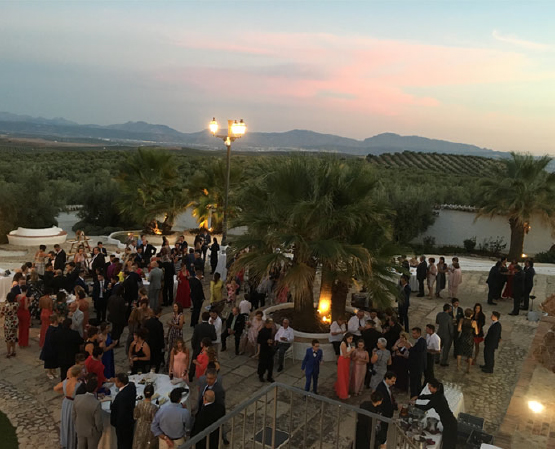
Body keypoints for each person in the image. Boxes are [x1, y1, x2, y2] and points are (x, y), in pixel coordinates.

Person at [413, 379, 458, 449]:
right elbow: (428, 396)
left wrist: (414, 404)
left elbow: (425, 407)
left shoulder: (437, 398)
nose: (429, 389)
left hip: (449, 425)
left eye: (430, 388)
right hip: (449, 422)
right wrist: (418, 397)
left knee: (447, 445)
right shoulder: (438, 394)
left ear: (435, 388)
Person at [54, 364, 83, 449]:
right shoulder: (78, 385)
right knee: (73, 424)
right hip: (74, 403)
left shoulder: (66, 381)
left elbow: (56, 388)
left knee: (66, 422)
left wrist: (64, 392)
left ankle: (65, 442)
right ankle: (72, 444)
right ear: (77, 374)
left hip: (66, 402)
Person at [72, 377, 103, 449]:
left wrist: (77, 425)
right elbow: (98, 422)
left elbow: (73, 415)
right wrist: (100, 430)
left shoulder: (77, 398)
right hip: (92, 432)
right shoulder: (96, 403)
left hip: (80, 429)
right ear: (95, 389)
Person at [111, 373, 137, 449]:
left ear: (120, 383)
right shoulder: (132, 386)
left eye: (116, 382)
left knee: (122, 444)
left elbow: (120, 413)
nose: (115, 383)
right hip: (130, 421)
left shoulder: (121, 397)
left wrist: (115, 423)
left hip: (122, 426)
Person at [190, 312, 217, 380]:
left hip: (197, 347)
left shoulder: (197, 326)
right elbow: (214, 338)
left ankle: (191, 375)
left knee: (194, 361)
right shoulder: (211, 327)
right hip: (207, 347)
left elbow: (194, 338)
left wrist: (194, 347)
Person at [375, 371, 399, 444]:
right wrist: (395, 406)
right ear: (387, 379)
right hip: (384, 413)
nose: (394, 383)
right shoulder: (381, 388)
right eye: (392, 381)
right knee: (382, 430)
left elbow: (390, 398)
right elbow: (385, 404)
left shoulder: (387, 387)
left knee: (384, 429)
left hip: (387, 413)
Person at [132, 384, 158, 449]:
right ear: (152, 394)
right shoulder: (153, 407)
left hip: (139, 426)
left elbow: (135, 416)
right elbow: (155, 421)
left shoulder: (139, 403)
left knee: (138, 444)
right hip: (149, 429)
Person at [144, 307, 165, 373]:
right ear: (159, 313)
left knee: (149, 361)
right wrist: (163, 346)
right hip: (156, 346)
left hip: (148, 344)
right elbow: (160, 336)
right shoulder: (159, 324)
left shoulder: (147, 322)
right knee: (156, 363)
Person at [457, 308, 477, 373]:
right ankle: (468, 368)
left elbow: (459, 329)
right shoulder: (473, 322)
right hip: (470, 338)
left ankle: (458, 366)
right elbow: (476, 332)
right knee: (470, 354)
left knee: (459, 352)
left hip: (463, 336)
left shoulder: (462, 320)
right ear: (471, 315)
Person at [408, 327, 427, 398]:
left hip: (416, 367)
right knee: (417, 383)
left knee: (415, 383)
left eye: (414, 333)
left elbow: (417, 353)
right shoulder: (420, 341)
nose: (413, 335)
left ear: (419, 333)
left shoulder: (421, 342)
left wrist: (410, 348)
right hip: (417, 367)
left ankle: (414, 396)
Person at [40, 313, 60, 379]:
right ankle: (49, 372)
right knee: (49, 361)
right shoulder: (50, 329)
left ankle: (54, 370)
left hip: (56, 346)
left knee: (55, 360)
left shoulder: (58, 327)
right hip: (50, 347)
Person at [335, 333, 354, 399]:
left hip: (347, 361)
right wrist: (351, 350)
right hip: (343, 360)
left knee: (346, 376)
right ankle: (343, 394)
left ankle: (343, 391)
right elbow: (345, 355)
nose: (351, 340)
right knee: (343, 376)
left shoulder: (348, 344)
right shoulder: (343, 344)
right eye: (350, 338)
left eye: (352, 339)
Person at [1, 292, 20, 358]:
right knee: (13, 337)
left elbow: (1, 315)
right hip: (14, 322)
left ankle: (8, 352)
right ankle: (13, 351)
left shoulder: (5, 306)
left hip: (8, 323)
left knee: (8, 338)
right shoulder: (16, 304)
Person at [258, 318, 276, 383]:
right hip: (264, 350)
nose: (271, 325)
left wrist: (272, 341)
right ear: (267, 324)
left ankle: (269, 377)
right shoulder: (262, 331)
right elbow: (259, 340)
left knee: (270, 364)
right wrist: (266, 341)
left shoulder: (270, 330)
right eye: (270, 324)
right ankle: (261, 376)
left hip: (269, 350)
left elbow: (271, 337)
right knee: (262, 364)